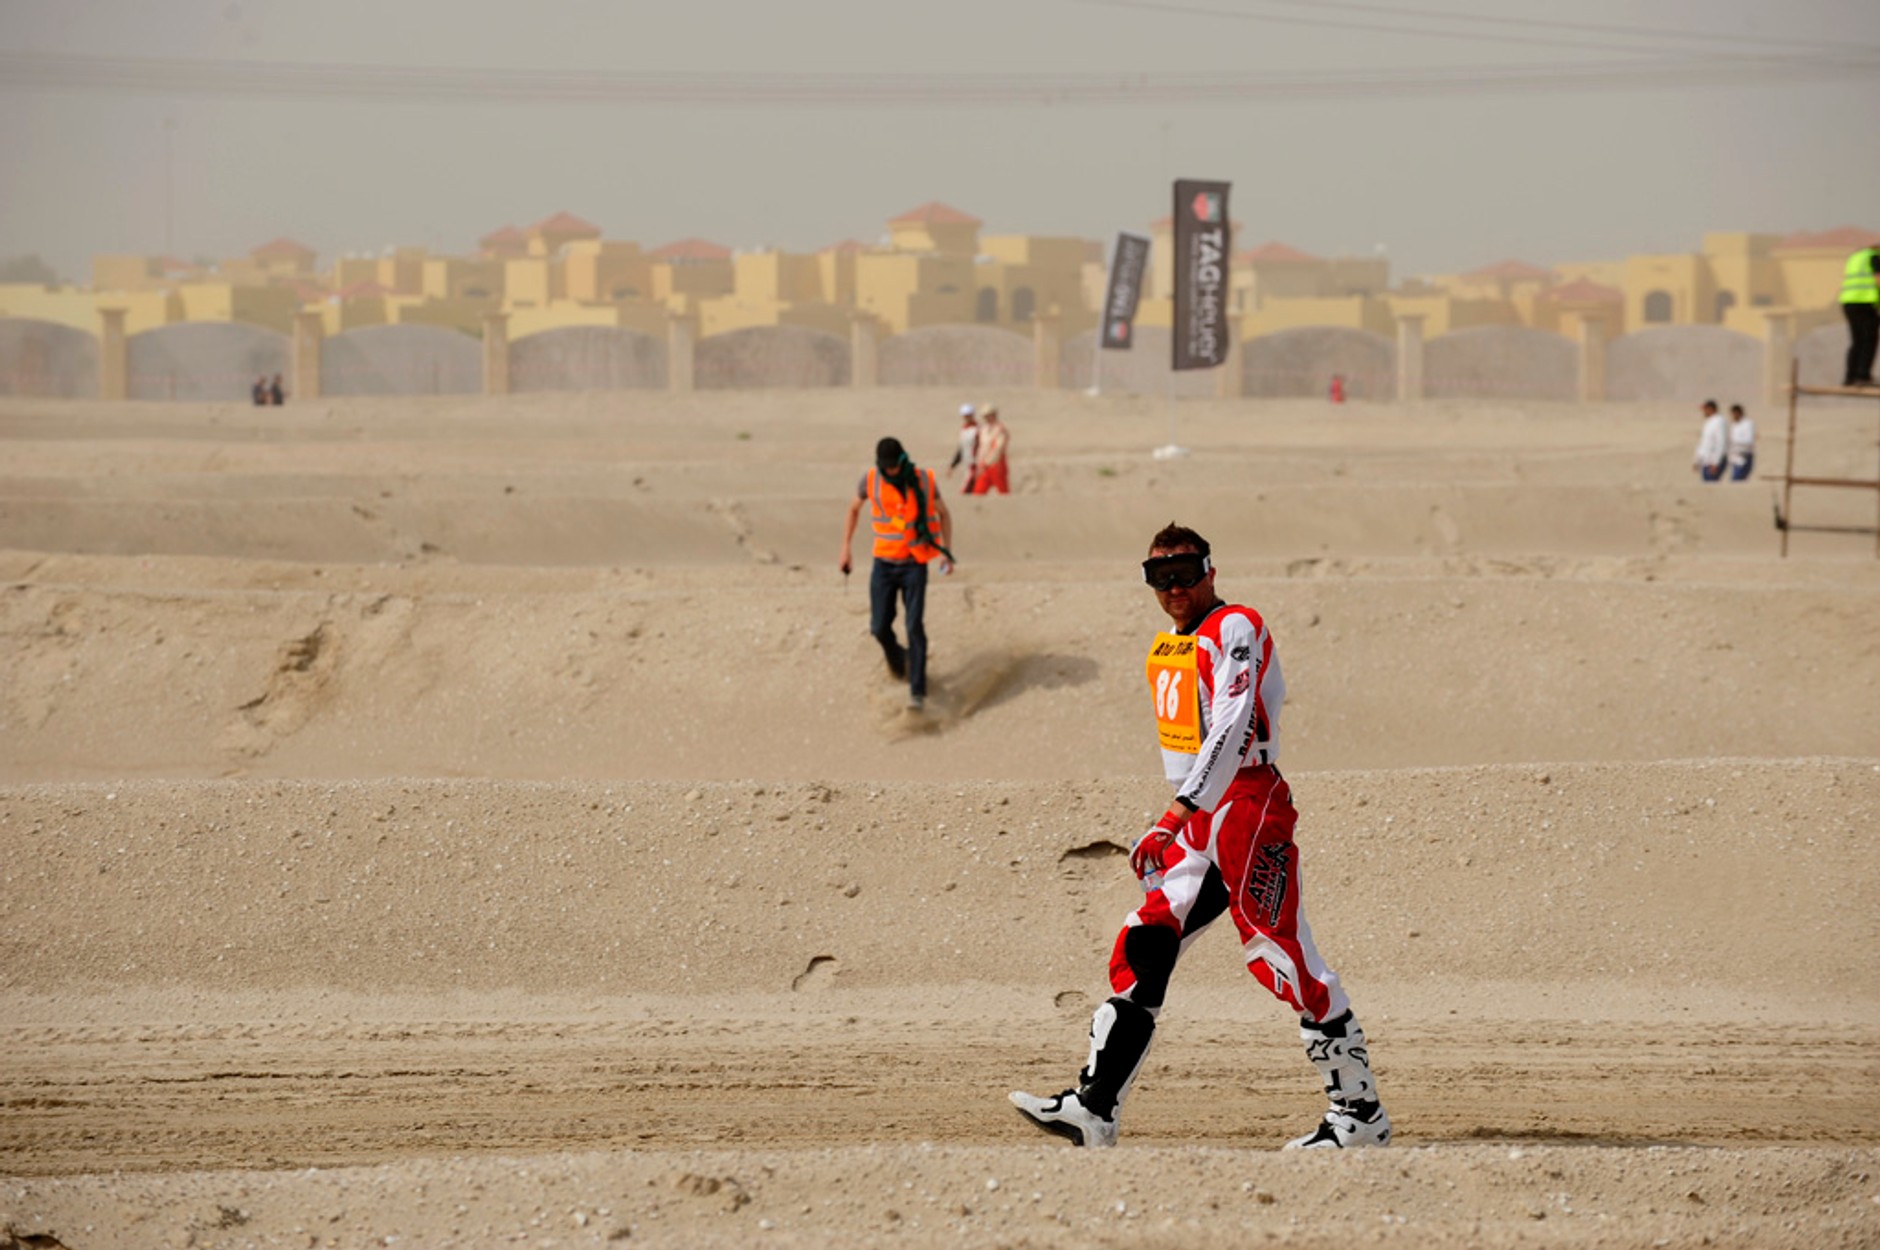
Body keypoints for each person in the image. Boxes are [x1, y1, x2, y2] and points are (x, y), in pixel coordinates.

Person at [1009, 523, 1391, 1151]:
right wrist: (1182, 815)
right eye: (1160, 576)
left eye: (1185, 572)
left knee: (1281, 954)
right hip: (1200, 817)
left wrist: (1176, 813)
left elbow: (1234, 726)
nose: (1174, 587)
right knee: (1144, 943)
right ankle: (1094, 1108)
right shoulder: (1170, 646)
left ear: (1210, 570)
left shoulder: (1236, 625)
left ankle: (1360, 1114)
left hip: (1247, 806)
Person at [838, 437, 953, 712]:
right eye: (886, 467)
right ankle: (900, 660)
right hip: (884, 565)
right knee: (878, 627)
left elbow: (944, 514)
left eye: (894, 466)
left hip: (914, 564)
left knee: (914, 625)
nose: (890, 471)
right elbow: (853, 509)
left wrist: (947, 552)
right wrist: (846, 548)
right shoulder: (870, 480)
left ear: (902, 459)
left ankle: (917, 692)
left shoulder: (923, 480)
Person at [1840, 240, 1878, 388]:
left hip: (1848, 302)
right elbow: (1878, 279)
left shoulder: (1856, 257)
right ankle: (1863, 376)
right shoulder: (1875, 256)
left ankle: (1850, 377)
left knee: (1857, 340)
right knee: (1869, 338)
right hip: (1865, 302)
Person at [972, 406, 1010, 495]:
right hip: (984, 466)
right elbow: (981, 448)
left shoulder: (1000, 429)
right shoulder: (983, 430)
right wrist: (979, 464)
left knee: (1003, 492)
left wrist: (987, 463)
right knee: (978, 491)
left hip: (997, 465)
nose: (988, 418)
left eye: (990, 415)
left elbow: (998, 449)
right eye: (985, 416)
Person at [1692, 399, 1727, 483]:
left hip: (1714, 461)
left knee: (1711, 484)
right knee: (1706, 485)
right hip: (1706, 461)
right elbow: (1704, 443)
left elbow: (1721, 442)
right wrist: (1697, 460)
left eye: (1705, 409)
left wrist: (1716, 462)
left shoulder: (1719, 421)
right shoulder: (1708, 423)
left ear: (1711, 409)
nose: (1703, 412)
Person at [949, 404, 979, 494]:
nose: (967, 417)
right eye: (965, 415)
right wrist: (953, 465)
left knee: (966, 490)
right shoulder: (964, 429)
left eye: (969, 415)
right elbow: (961, 448)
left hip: (975, 463)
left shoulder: (978, 429)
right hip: (967, 464)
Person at [1727, 403, 1756, 481]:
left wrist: (1733, 440)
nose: (1732, 416)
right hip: (1735, 456)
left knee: (1738, 478)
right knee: (1735, 479)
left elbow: (1749, 440)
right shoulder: (1734, 425)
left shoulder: (1748, 424)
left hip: (1744, 455)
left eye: (1734, 414)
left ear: (1738, 413)